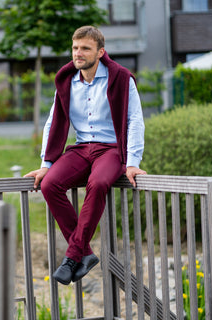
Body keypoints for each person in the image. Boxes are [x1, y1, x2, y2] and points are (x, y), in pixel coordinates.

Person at [24, 25, 146, 285]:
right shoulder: (66, 81)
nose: (78, 53)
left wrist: (133, 163)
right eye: (75, 48)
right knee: (50, 184)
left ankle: (72, 256)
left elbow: (135, 120)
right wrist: (46, 163)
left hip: (111, 149)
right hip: (81, 148)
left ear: (100, 52)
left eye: (85, 49)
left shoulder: (122, 79)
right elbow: (52, 122)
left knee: (99, 182)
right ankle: (85, 253)